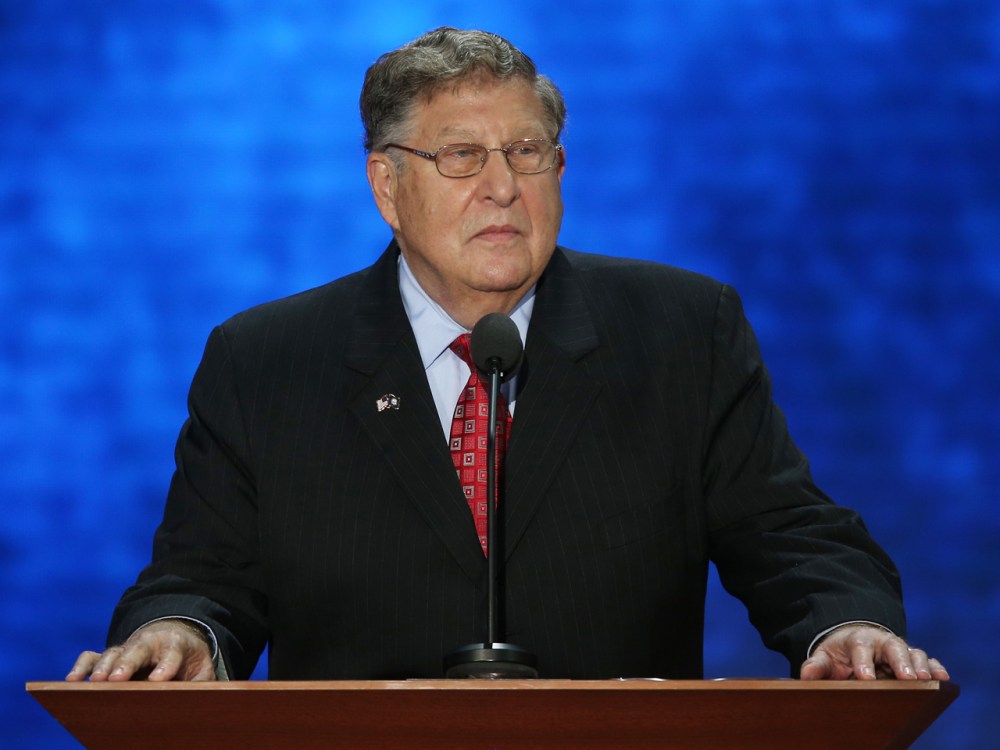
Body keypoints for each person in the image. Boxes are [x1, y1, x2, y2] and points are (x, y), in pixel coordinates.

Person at [68, 27, 948, 685]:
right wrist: (180, 630)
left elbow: (786, 531)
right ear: (386, 184)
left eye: (527, 152)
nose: (502, 186)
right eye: (461, 156)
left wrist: (842, 626)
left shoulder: (683, 330)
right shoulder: (264, 361)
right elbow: (203, 575)